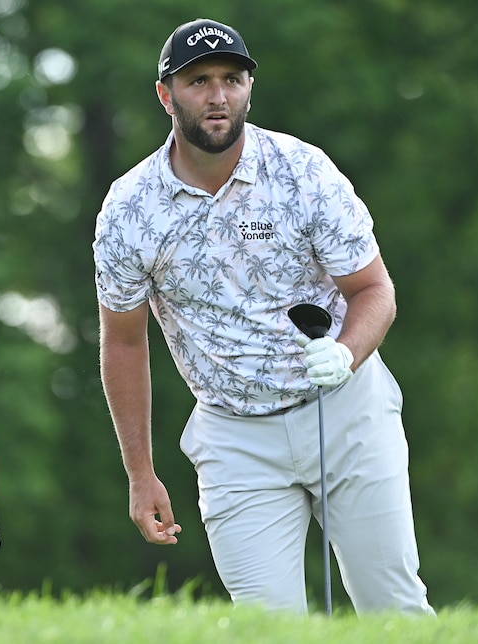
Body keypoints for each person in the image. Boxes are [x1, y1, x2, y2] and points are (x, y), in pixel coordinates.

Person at [93, 18, 434, 615]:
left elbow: (375, 289)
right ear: (166, 95)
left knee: (393, 608)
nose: (218, 95)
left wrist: (347, 354)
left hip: (346, 414)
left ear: (250, 87)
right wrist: (140, 472)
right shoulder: (130, 207)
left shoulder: (303, 171)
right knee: (265, 625)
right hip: (233, 437)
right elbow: (123, 341)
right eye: (199, 81)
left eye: (232, 78)